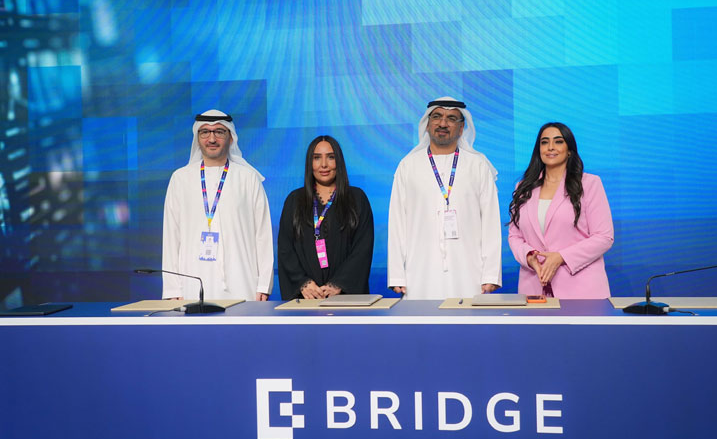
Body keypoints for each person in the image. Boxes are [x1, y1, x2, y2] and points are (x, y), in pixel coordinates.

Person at [388, 97, 502, 300]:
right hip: (418, 274)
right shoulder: (408, 166)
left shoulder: (478, 166)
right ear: (427, 124)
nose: (443, 123)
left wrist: (491, 274)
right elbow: (397, 223)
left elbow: (490, 224)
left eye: (451, 118)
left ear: (462, 128)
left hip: (469, 274)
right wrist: (397, 274)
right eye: (437, 117)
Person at [162, 109, 274, 301]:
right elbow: (171, 238)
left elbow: (263, 236)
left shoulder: (248, 178)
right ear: (197, 138)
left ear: (231, 137)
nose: (212, 139)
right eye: (205, 132)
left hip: (243, 284)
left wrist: (264, 285)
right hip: (191, 286)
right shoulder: (180, 179)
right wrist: (173, 290)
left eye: (219, 132)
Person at [508, 122, 613, 299]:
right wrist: (528, 256)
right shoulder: (523, 187)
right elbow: (514, 236)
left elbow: (604, 237)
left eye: (558, 141)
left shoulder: (589, 184)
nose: (550, 147)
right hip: (535, 289)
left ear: (569, 150)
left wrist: (561, 257)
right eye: (544, 142)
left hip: (581, 290)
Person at [278, 135, 374, 300]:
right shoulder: (294, 200)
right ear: (310, 163)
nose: (324, 164)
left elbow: (362, 249)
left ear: (339, 162)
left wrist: (338, 284)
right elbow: (285, 248)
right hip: (306, 297)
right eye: (317, 158)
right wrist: (303, 283)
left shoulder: (357, 199)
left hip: (346, 298)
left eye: (331, 157)